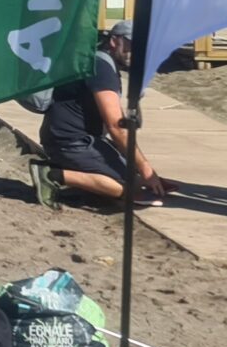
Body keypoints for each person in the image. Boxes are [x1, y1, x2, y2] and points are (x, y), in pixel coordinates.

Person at [32, 19, 169, 207]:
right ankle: (50, 173)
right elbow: (116, 126)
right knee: (127, 189)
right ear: (114, 41)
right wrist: (146, 170)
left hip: (78, 138)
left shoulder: (100, 60)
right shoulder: (101, 68)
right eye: (132, 44)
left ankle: (77, 175)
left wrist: (147, 174)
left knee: (137, 181)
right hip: (71, 141)